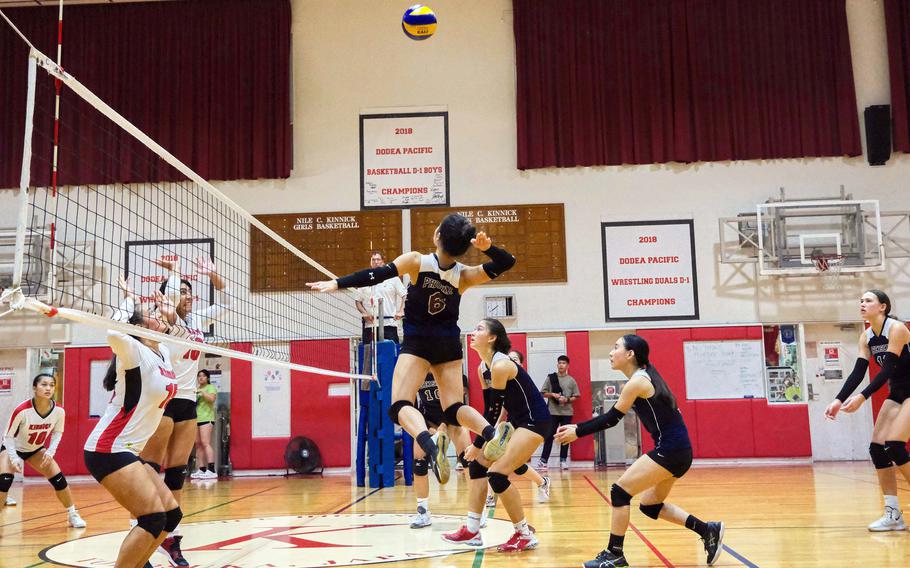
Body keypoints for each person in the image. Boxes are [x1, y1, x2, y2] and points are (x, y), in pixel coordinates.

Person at [308, 214, 517, 480]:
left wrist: (337, 283)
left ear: (438, 236)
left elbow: (376, 275)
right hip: (449, 344)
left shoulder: (417, 261)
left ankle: (431, 446)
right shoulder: (464, 275)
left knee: (399, 405)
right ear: (464, 246)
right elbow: (507, 262)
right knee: (453, 408)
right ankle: (492, 433)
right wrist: (487, 249)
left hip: (418, 342)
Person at [555, 334, 723, 568]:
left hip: (671, 450)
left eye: (616, 348)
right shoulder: (643, 378)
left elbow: (612, 418)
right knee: (650, 506)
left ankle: (615, 555)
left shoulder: (638, 381)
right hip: (678, 452)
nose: (611, 353)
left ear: (630, 354)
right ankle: (708, 530)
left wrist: (578, 430)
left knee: (620, 492)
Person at [83, 277, 182, 568]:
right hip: (108, 449)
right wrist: (128, 301)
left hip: (130, 450)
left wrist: (168, 308)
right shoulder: (132, 352)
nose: (157, 313)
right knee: (152, 518)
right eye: (151, 313)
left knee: (170, 516)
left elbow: (181, 330)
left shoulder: (162, 351)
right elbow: (115, 332)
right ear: (138, 327)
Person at [146, 256, 230, 565]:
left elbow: (227, 300)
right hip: (162, 399)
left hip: (187, 400)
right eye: (182, 291)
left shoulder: (197, 322)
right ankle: (142, 528)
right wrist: (175, 272)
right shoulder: (163, 320)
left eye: (190, 291)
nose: (188, 295)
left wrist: (213, 275)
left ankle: (170, 537)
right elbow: (168, 301)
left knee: (177, 473)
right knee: (149, 469)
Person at [442, 319, 551, 551]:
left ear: (492, 338)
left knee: (497, 475)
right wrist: (484, 443)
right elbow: (489, 409)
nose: (473, 332)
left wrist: (477, 444)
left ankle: (524, 534)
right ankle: (472, 530)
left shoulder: (502, 365)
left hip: (534, 421)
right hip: (516, 422)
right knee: (478, 468)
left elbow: (492, 411)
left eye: (480, 329)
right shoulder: (483, 368)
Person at [826, 289, 910, 531]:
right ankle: (893, 514)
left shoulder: (897, 328)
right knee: (877, 449)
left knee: (894, 444)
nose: (862, 304)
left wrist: (863, 397)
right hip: (899, 391)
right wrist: (838, 400)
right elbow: (859, 371)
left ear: (882, 306)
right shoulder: (866, 337)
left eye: (868, 300)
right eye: (861, 300)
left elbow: (887, 369)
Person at [1, 373, 86, 528]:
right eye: (44, 384)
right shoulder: (22, 410)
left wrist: (50, 452)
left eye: (52, 385)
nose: (48, 388)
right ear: (35, 388)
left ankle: (72, 514)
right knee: (4, 481)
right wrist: (13, 458)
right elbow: (7, 436)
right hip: (12, 448)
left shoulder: (59, 411)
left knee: (59, 480)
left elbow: (57, 432)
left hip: (35, 449)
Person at [355, 251, 407, 344]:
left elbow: (404, 295)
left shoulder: (393, 278)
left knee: (391, 354)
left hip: (389, 324)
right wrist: (364, 313)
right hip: (370, 325)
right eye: (373, 260)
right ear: (370, 263)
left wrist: (401, 310)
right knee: (369, 356)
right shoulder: (364, 279)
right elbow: (358, 301)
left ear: (383, 262)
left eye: (378, 259)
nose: (376, 261)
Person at [539, 354, 580, 470]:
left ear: (567, 365)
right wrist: (552, 394)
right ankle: (543, 461)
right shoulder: (550, 378)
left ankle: (563, 461)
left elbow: (576, 396)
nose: (561, 365)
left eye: (563, 363)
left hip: (567, 413)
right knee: (549, 436)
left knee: (565, 437)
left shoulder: (571, 380)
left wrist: (566, 399)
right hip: (552, 412)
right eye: (559, 363)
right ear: (557, 365)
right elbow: (542, 393)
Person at [192, 370, 218, 480]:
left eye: (203, 376)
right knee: (197, 444)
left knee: (205, 442)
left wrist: (202, 393)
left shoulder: (210, 388)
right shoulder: (196, 389)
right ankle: (201, 469)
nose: (201, 378)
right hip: (196, 419)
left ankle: (211, 469)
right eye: (199, 376)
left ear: (207, 378)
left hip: (207, 418)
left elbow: (212, 399)